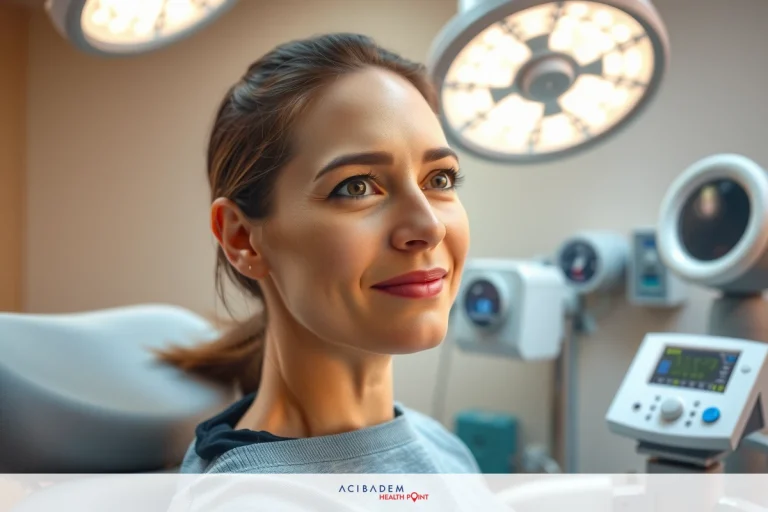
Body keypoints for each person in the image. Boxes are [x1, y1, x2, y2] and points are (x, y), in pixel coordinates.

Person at [156, 32, 478, 476]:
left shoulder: (444, 448)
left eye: (439, 180)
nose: (429, 227)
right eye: (357, 187)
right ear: (242, 239)